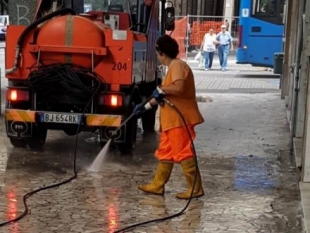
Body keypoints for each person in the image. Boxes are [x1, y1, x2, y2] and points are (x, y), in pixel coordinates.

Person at [133, 35, 205, 199]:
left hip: (179, 120)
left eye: (157, 53)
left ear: (161, 52)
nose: (157, 56)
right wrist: (144, 107)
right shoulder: (172, 67)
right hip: (170, 122)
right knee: (166, 152)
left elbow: (177, 88)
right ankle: (158, 186)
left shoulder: (178, 66)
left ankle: (195, 188)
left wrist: (162, 90)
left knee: (183, 153)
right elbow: (163, 94)